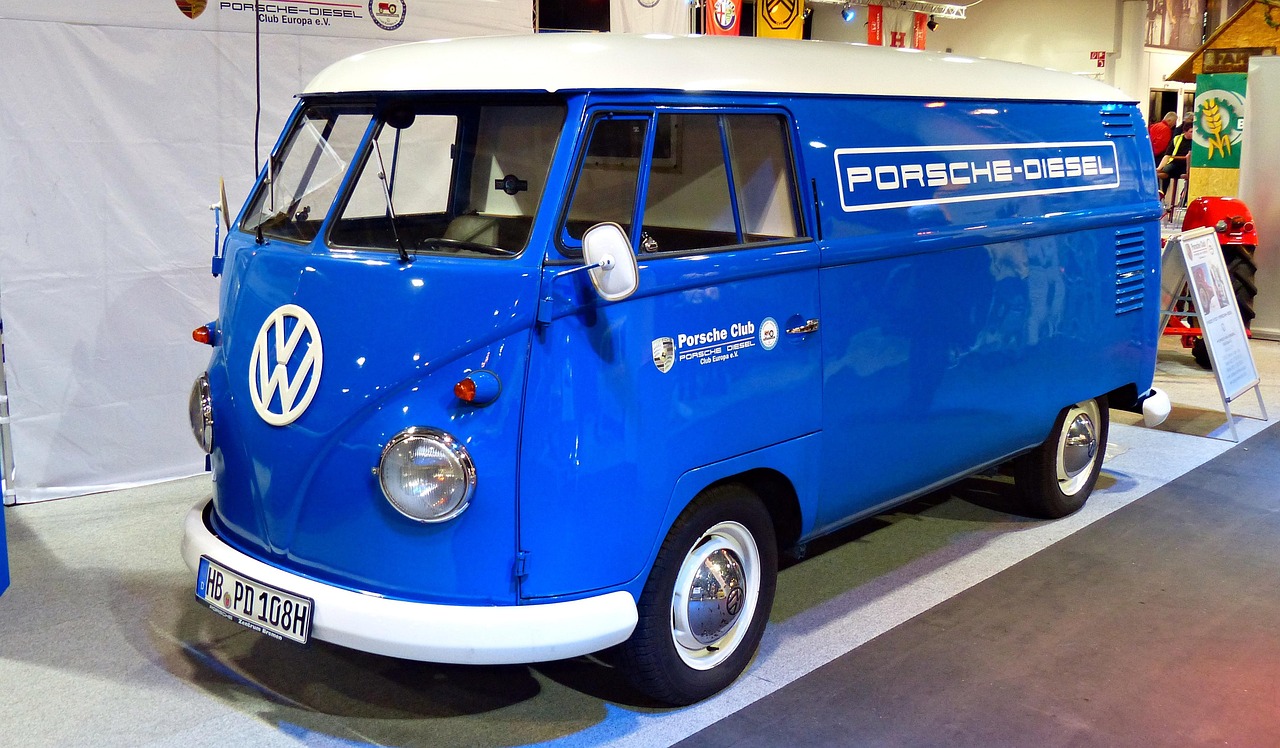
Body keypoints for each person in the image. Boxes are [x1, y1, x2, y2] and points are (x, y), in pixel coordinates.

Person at [1157, 121, 1193, 202]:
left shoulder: (1194, 142)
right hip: (1175, 162)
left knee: (1189, 176)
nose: (1193, 134)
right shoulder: (1177, 139)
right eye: (1191, 132)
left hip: (1187, 164)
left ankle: (1184, 199)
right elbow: (1167, 155)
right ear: (1185, 132)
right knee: (1164, 171)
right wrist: (1159, 168)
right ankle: (1161, 193)